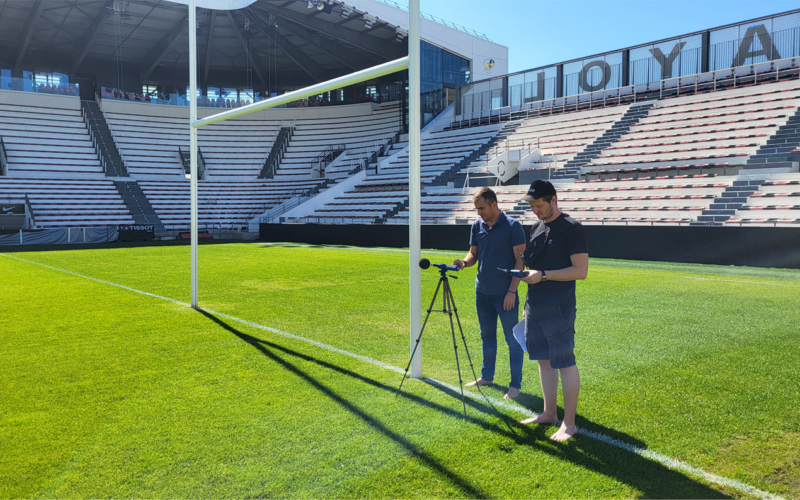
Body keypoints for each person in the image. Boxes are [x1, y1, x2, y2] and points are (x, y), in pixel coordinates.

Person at [518, 180, 588, 441]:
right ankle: (549, 413)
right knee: (543, 361)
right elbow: (534, 270)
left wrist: (544, 275)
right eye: (532, 206)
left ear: (553, 200)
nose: (535, 210)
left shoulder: (571, 227)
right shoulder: (536, 227)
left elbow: (581, 271)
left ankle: (569, 424)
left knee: (565, 362)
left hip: (559, 308)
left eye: (539, 205)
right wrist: (527, 304)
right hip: (535, 305)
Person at [453, 187, 527, 399]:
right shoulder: (477, 225)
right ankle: (487, 376)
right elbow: (473, 253)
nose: (479, 213)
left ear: (494, 204)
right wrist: (464, 263)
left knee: (512, 339)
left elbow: (520, 261)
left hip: (505, 294)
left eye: (482, 208)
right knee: (486, 336)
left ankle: (515, 385)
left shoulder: (513, 226)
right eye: (476, 209)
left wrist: (512, 291)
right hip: (482, 293)